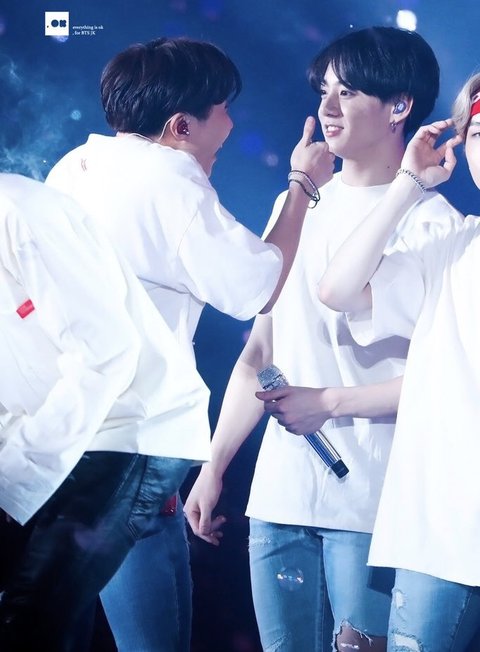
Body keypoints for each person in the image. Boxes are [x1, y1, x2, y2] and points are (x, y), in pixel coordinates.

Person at [46, 36, 333, 651]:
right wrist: (302, 187)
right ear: (181, 125)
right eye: (223, 109)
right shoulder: (170, 184)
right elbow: (257, 287)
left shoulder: (73, 166)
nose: (230, 123)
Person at [184, 27, 463, 651]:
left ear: (400, 106)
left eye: (349, 91)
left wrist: (328, 402)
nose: (328, 107)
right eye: (324, 91)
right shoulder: (300, 205)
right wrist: (214, 466)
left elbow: (448, 380)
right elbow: (258, 356)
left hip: (376, 502)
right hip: (280, 497)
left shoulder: (435, 225)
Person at [0, 173, 211, 651]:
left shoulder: (21, 215)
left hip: (129, 429)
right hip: (50, 438)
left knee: (29, 617)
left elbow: (106, 354)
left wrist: (12, 482)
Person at [318, 74, 480, 651]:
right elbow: (338, 289)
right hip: (441, 531)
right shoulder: (454, 246)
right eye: (478, 133)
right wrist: (407, 186)